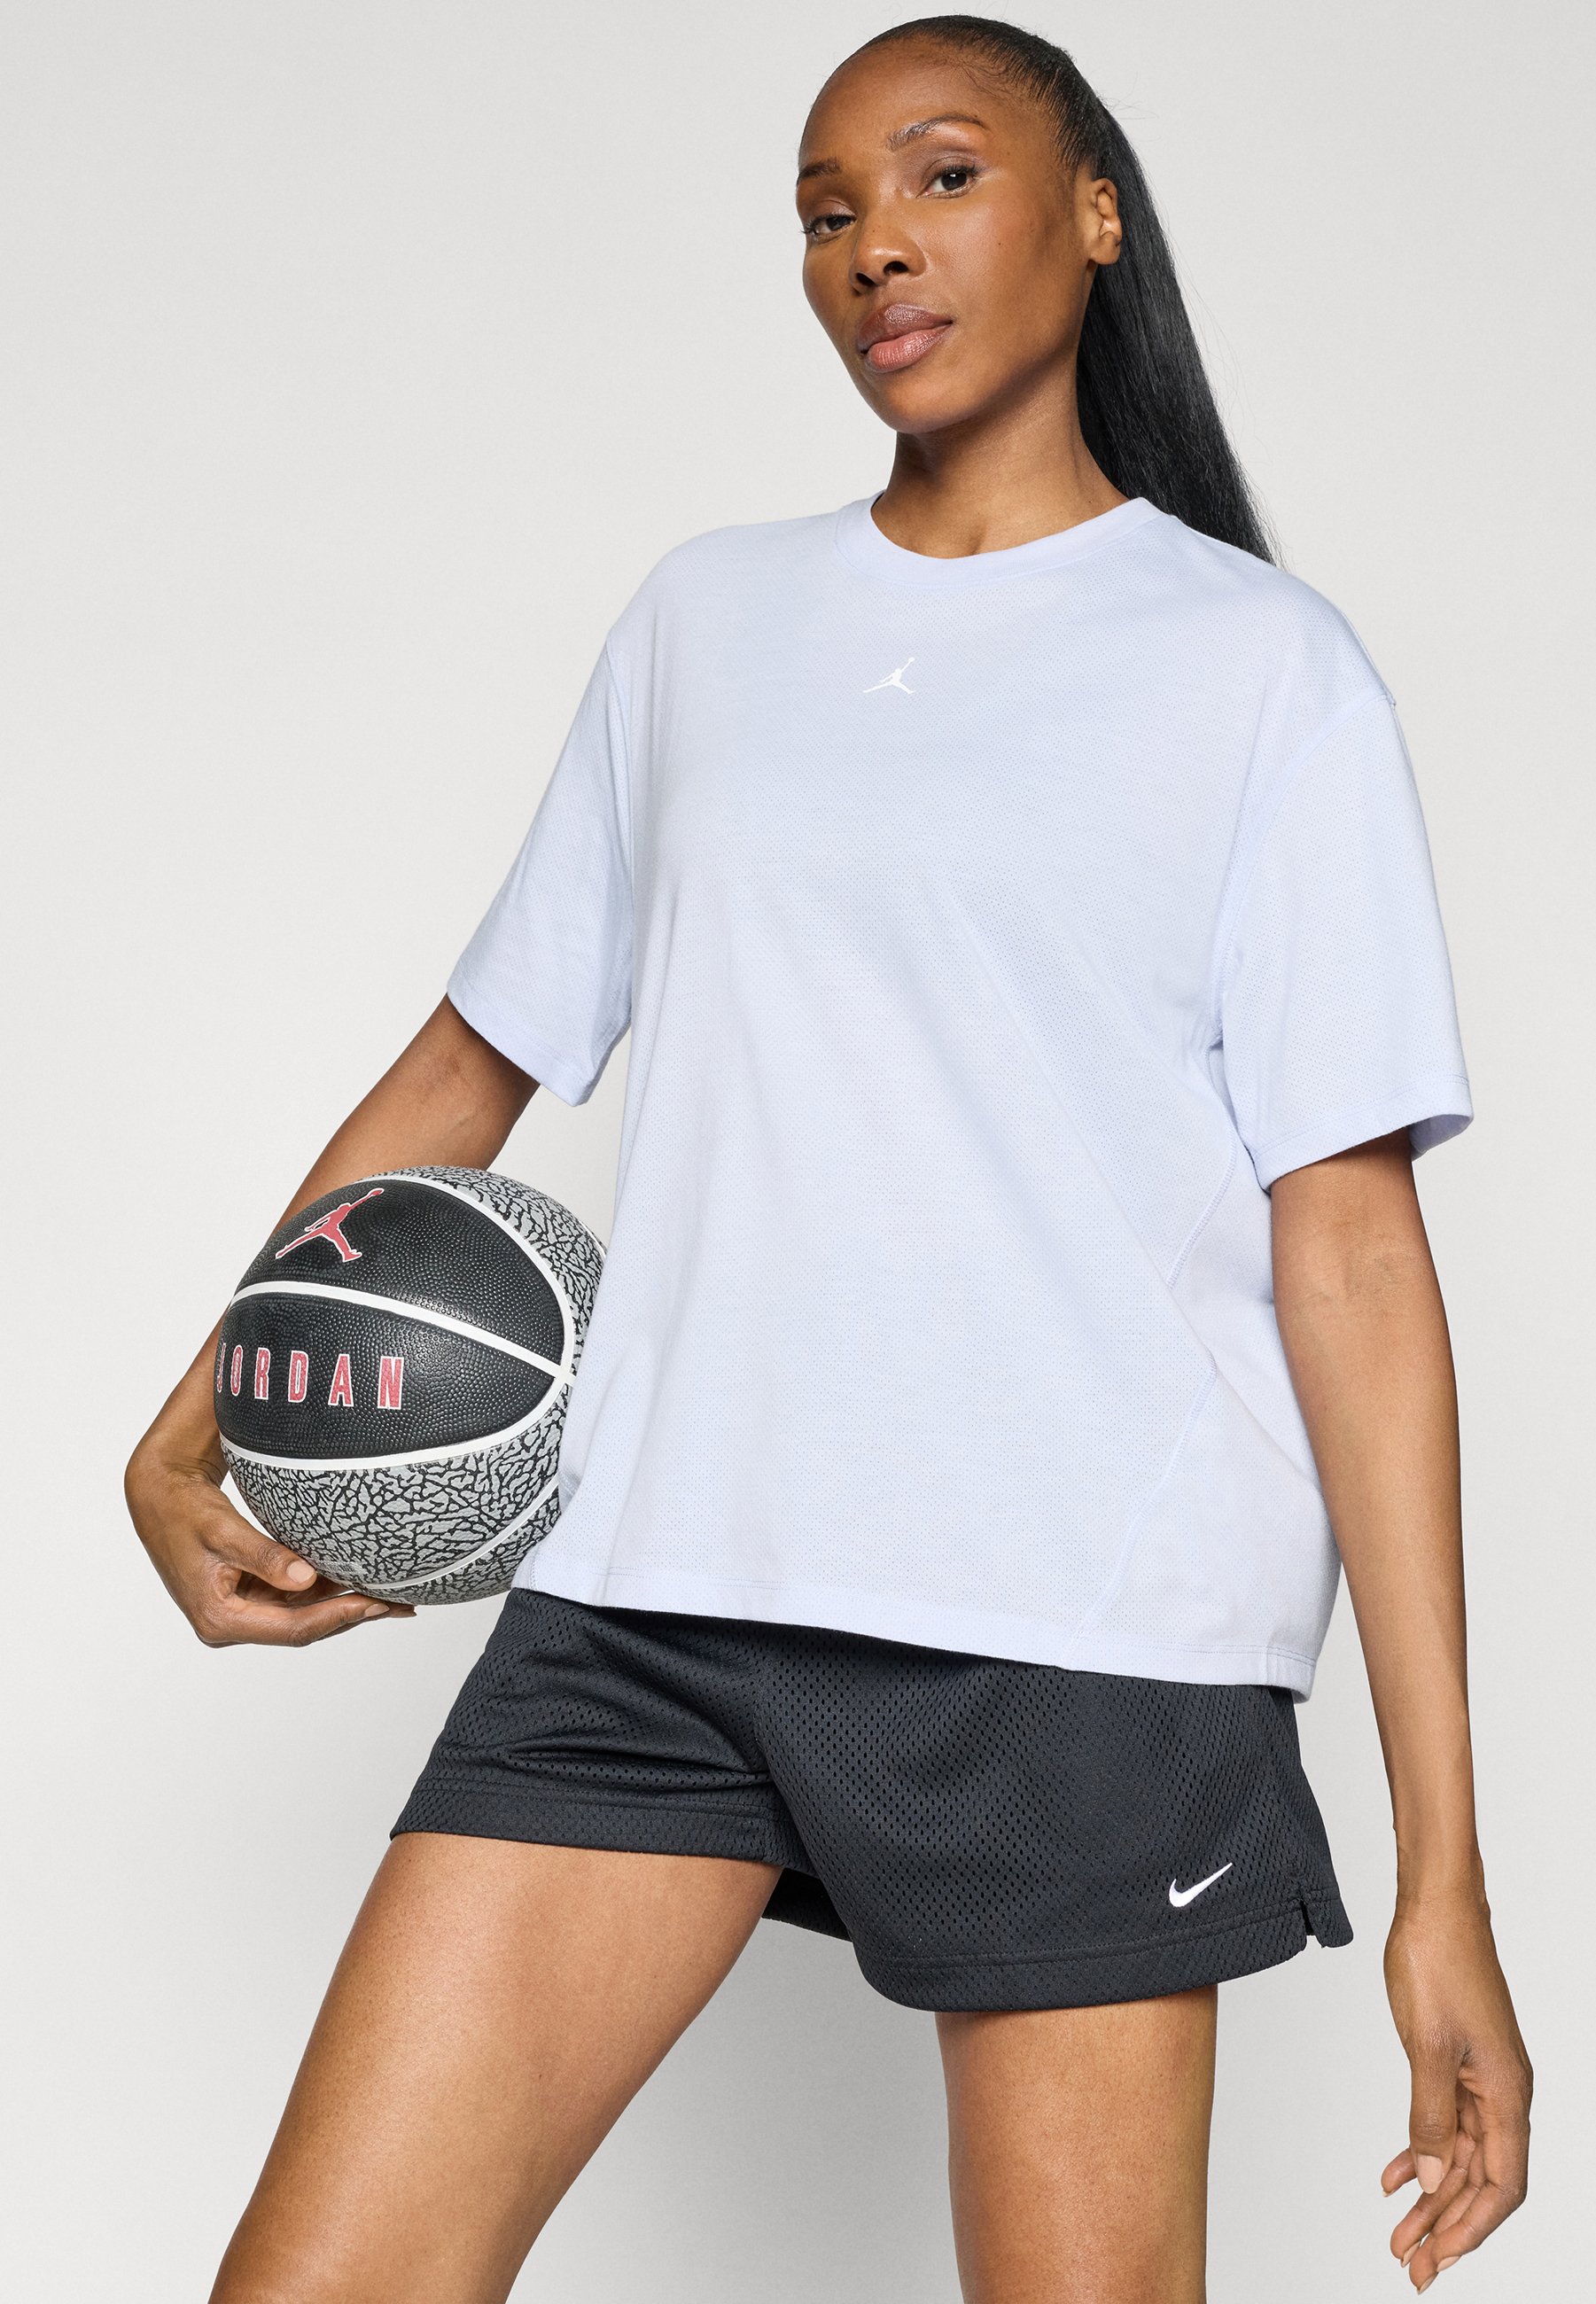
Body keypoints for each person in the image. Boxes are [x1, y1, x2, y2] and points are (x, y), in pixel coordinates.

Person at [125, 16, 1531, 2300]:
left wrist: (1444, 1874)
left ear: (1095, 212)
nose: (876, 242)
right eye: (825, 208)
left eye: (944, 175)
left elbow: (1354, 1256)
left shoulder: (1266, 674)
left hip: (1077, 1650)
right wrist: (205, 1411)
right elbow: (467, 1070)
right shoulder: (708, 622)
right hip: (659, 1596)